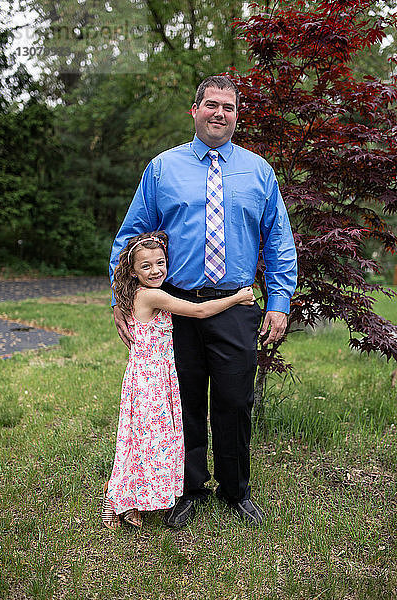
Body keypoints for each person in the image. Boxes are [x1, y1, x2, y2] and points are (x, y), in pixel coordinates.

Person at [109, 75, 297, 529]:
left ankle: (236, 490)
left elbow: (278, 240)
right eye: (210, 105)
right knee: (184, 400)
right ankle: (188, 487)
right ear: (194, 110)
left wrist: (279, 300)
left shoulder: (259, 172)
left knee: (234, 401)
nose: (219, 113)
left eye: (228, 107)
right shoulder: (162, 169)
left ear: (237, 115)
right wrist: (121, 298)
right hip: (175, 307)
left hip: (235, 305)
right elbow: (131, 236)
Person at [102, 231, 255, 530]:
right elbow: (198, 310)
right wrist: (238, 296)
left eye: (161, 263)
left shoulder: (136, 291)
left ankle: (133, 501)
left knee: (140, 441)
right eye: (146, 266)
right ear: (133, 270)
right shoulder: (151, 295)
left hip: (148, 378)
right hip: (151, 383)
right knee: (145, 441)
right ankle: (115, 498)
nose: (156, 270)